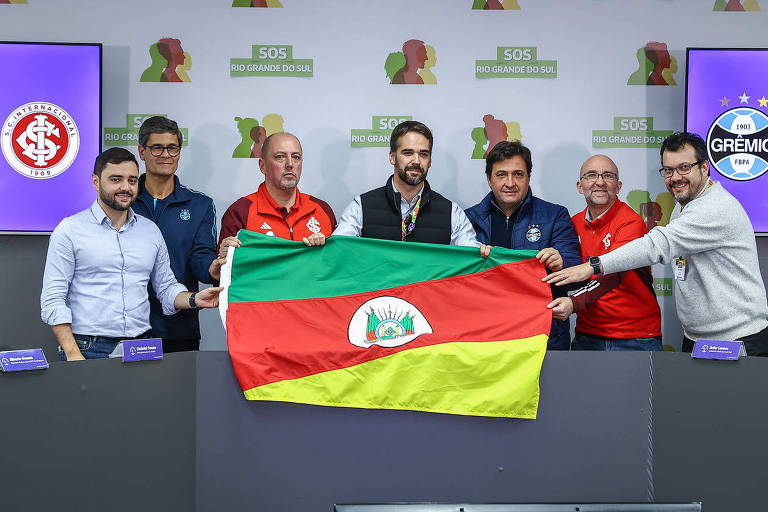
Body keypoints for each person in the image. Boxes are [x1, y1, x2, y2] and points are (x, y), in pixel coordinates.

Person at [545, 132, 768, 355]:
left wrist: (591, 266)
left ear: (704, 168)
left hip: (737, 338)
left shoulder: (714, 207)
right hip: (698, 337)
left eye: (685, 167)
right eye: (669, 170)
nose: (676, 177)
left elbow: (657, 245)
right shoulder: (683, 206)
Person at [40, 148, 222, 361]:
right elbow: (53, 299)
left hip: (142, 345)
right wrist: (72, 353)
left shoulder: (150, 230)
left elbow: (166, 287)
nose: (125, 187)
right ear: (96, 182)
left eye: (132, 180)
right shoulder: (70, 230)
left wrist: (194, 299)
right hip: (88, 348)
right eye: (116, 179)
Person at [464, 140, 581, 350]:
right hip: (486, 336)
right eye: (501, 175)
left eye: (518, 174)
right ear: (489, 179)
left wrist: (561, 263)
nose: (510, 183)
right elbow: (456, 282)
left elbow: (577, 275)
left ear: (528, 178)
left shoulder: (555, 216)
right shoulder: (468, 219)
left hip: (543, 338)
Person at [547, 154, 662, 350]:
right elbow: (569, 269)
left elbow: (612, 274)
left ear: (618, 186)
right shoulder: (572, 223)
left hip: (634, 337)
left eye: (608, 176)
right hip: (587, 335)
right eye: (591, 175)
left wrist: (573, 303)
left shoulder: (630, 222)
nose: (600, 182)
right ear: (579, 185)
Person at [131, 116, 219, 353]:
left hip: (179, 327)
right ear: (142, 151)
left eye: (172, 148)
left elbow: (201, 258)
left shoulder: (200, 205)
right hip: (126, 328)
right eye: (157, 147)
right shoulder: (123, 201)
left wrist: (213, 268)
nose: (166, 155)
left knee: (179, 391)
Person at [333, 120, 481, 248]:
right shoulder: (361, 206)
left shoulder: (451, 212)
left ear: (429, 161)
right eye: (408, 153)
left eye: (423, 154)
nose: (416, 161)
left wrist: (488, 255)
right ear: (392, 157)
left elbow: (473, 259)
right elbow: (337, 250)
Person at [218, 132, 336, 254]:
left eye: (296, 157)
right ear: (262, 166)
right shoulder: (240, 211)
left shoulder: (322, 209)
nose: (290, 164)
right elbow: (224, 269)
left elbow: (338, 264)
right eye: (280, 157)